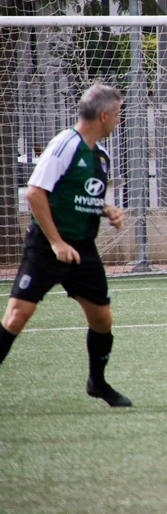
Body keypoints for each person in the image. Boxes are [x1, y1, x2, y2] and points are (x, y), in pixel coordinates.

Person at [0, 83, 131, 407]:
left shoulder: (101, 155)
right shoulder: (64, 145)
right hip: (47, 247)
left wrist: (107, 210)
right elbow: (34, 193)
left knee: (102, 320)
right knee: (17, 315)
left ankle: (97, 383)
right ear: (103, 115)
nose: (119, 120)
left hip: (83, 250)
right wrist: (57, 242)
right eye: (117, 114)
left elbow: (80, 194)